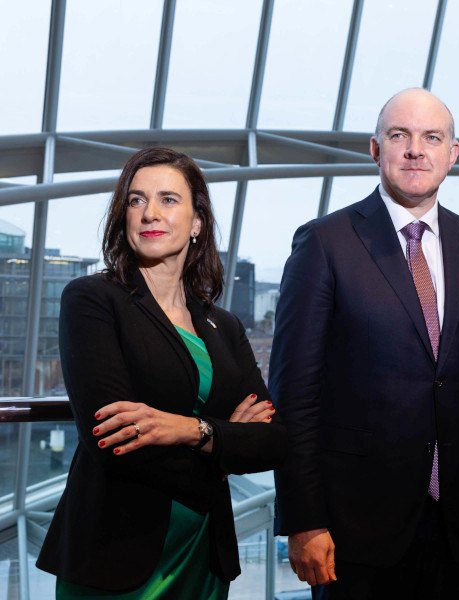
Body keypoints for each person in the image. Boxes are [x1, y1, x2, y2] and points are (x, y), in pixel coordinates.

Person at [269, 88, 459, 599]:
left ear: (452, 154)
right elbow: (295, 394)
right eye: (400, 136)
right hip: (353, 529)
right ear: (375, 149)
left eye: (432, 137)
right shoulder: (325, 243)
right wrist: (303, 520)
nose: (416, 150)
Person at [36, 147, 288, 598]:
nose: (150, 212)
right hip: (115, 554)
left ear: (197, 223)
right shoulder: (92, 300)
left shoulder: (222, 324)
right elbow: (111, 441)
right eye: (136, 200)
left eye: (168, 199)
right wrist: (224, 444)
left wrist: (190, 430)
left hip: (203, 551)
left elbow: (272, 441)